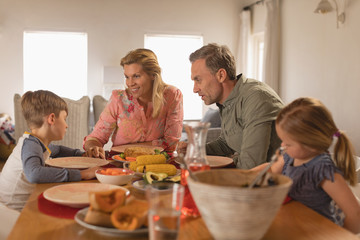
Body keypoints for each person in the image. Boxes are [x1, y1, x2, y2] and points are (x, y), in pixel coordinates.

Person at [251, 97, 360, 233]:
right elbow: (271, 169)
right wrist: (245, 176)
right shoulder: (291, 155)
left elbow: (355, 213)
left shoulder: (323, 169)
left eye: (288, 143)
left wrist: (339, 236)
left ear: (311, 143)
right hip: (293, 224)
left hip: (316, 232)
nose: (282, 146)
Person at [186, 43, 283, 169]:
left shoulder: (256, 98)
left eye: (198, 80)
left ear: (221, 75)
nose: (195, 89)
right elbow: (226, 143)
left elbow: (250, 165)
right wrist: (193, 150)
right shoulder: (227, 101)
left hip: (277, 180)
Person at [0, 90, 98, 211]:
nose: (66, 125)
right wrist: (83, 174)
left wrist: (83, 154)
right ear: (52, 118)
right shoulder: (30, 145)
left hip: (17, 207)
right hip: (13, 212)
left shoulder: (35, 142)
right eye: (64, 118)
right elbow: (35, 174)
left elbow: (58, 150)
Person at [84, 48, 183, 158]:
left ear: (153, 75)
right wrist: (93, 147)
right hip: (121, 164)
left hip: (158, 162)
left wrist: (129, 148)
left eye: (136, 76)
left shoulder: (172, 95)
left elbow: (171, 143)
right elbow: (96, 138)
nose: (130, 83)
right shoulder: (118, 99)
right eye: (127, 77)